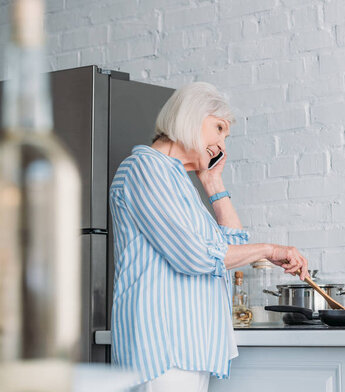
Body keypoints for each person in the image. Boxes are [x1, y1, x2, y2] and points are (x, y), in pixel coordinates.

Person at [109, 82, 309, 392]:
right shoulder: (144, 168)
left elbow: (233, 251)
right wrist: (268, 249)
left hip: (187, 349)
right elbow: (197, 257)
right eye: (218, 129)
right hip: (161, 349)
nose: (221, 145)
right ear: (190, 117)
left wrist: (212, 181)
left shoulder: (177, 181)